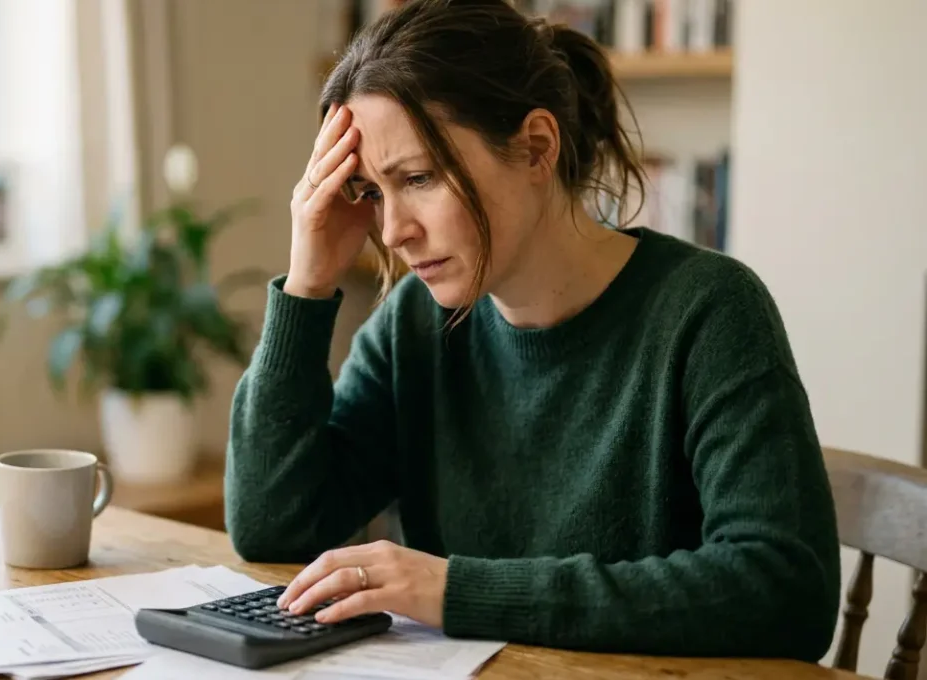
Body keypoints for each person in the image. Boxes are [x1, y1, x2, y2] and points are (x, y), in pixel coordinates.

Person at [223, 0, 841, 662]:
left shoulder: (709, 310)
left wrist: (457, 589)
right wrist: (306, 286)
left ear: (536, 147)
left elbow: (785, 593)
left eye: (419, 178)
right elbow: (273, 526)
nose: (393, 231)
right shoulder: (414, 325)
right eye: (371, 192)